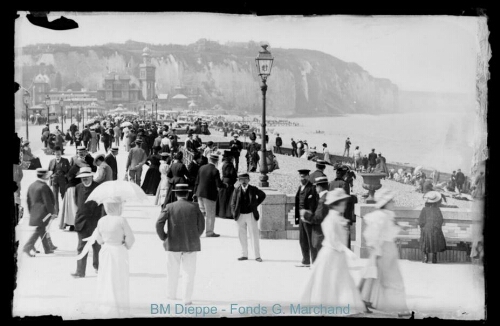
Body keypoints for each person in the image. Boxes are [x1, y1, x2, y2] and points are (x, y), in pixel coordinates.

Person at [300, 188, 365, 314]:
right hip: (330, 254)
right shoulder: (330, 219)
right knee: (329, 281)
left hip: (338, 255)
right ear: (336, 204)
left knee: (341, 280)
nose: (345, 206)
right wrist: (347, 251)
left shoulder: (338, 218)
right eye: (342, 203)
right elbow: (333, 240)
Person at [358, 188, 410, 316]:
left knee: (375, 277)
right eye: (391, 201)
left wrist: (400, 227)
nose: (393, 203)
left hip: (389, 248)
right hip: (383, 249)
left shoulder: (388, 215)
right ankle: (398, 307)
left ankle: (365, 301)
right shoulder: (380, 216)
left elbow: (389, 230)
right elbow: (372, 233)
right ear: (385, 203)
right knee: (391, 278)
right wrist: (376, 249)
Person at [155, 184, 205, 305]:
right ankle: (186, 298)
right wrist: (195, 235)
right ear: (187, 194)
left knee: (172, 270)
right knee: (189, 271)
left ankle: (171, 294)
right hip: (191, 243)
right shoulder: (195, 206)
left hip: (173, 242)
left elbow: (159, 223)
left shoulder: (169, 206)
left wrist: (164, 237)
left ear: (175, 194)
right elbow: (202, 225)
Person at [91, 196, 135, 318]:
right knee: (119, 278)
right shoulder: (121, 220)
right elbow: (130, 238)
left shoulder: (101, 221)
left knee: (105, 277)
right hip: (118, 251)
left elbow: (98, 239)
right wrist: (126, 245)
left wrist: (105, 242)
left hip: (106, 251)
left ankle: (105, 306)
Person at [72, 167, 105, 278]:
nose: (84, 180)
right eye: (82, 178)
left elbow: (102, 207)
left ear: (91, 176)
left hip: (96, 223)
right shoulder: (77, 188)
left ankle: (98, 267)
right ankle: (80, 272)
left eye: (86, 178)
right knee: (81, 247)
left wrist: (101, 222)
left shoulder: (98, 188)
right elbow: (77, 202)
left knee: (97, 247)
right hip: (82, 222)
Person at [231, 173, 266, 262]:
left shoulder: (253, 189)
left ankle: (257, 256)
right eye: (241, 180)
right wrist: (234, 213)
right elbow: (233, 202)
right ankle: (244, 254)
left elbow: (262, 195)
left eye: (245, 179)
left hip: (251, 214)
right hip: (240, 215)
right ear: (239, 181)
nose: (244, 181)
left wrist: (255, 204)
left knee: (254, 235)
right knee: (241, 235)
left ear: (249, 180)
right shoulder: (236, 190)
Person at [23, 168, 57, 257]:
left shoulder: (32, 185)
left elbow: (28, 201)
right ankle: (27, 247)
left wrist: (31, 212)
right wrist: (52, 213)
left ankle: (47, 249)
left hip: (35, 213)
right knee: (40, 230)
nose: (49, 177)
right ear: (45, 176)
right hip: (44, 214)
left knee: (42, 229)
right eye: (48, 175)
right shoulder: (44, 186)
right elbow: (48, 202)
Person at [194, 154, 227, 237]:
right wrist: (225, 185)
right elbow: (218, 184)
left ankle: (198, 231)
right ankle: (209, 232)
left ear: (209, 159)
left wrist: (195, 192)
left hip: (200, 193)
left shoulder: (201, 168)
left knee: (201, 213)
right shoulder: (215, 170)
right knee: (210, 214)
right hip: (209, 194)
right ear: (216, 161)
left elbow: (197, 181)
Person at [303, 176, 330, 262]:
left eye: (316, 186)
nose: (315, 188)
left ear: (319, 187)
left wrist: (306, 215)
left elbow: (318, 218)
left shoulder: (322, 200)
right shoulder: (328, 196)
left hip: (319, 233)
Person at [295, 169, 318, 267]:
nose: (302, 178)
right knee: (302, 240)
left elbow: (316, 203)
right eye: (301, 176)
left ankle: (315, 262)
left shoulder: (312, 188)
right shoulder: (300, 188)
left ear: (308, 177)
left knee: (311, 240)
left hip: (309, 218)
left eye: (304, 176)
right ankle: (306, 260)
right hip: (301, 218)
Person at [418, 191, 447, 264]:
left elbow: (421, 220)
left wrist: (423, 227)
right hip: (435, 229)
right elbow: (440, 220)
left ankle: (425, 257)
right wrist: (437, 227)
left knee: (425, 239)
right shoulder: (437, 209)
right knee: (436, 238)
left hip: (426, 229)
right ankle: (434, 257)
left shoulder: (424, 209)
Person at [47, 146, 70, 215]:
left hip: (63, 181)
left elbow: (69, 171)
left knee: (64, 195)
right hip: (54, 181)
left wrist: (66, 177)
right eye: (56, 153)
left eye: (59, 153)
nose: (58, 154)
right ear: (54, 153)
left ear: (61, 153)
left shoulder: (65, 160)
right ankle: (56, 212)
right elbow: (49, 172)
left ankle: (66, 211)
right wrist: (50, 180)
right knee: (54, 196)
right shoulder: (51, 161)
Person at [216, 151, 237, 219]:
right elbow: (231, 174)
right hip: (229, 181)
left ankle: (221, 213)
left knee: (223, 197)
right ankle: (227, 213)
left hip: (224, 180)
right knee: (228, 198)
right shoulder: (229, 165)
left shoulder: (223, 164)